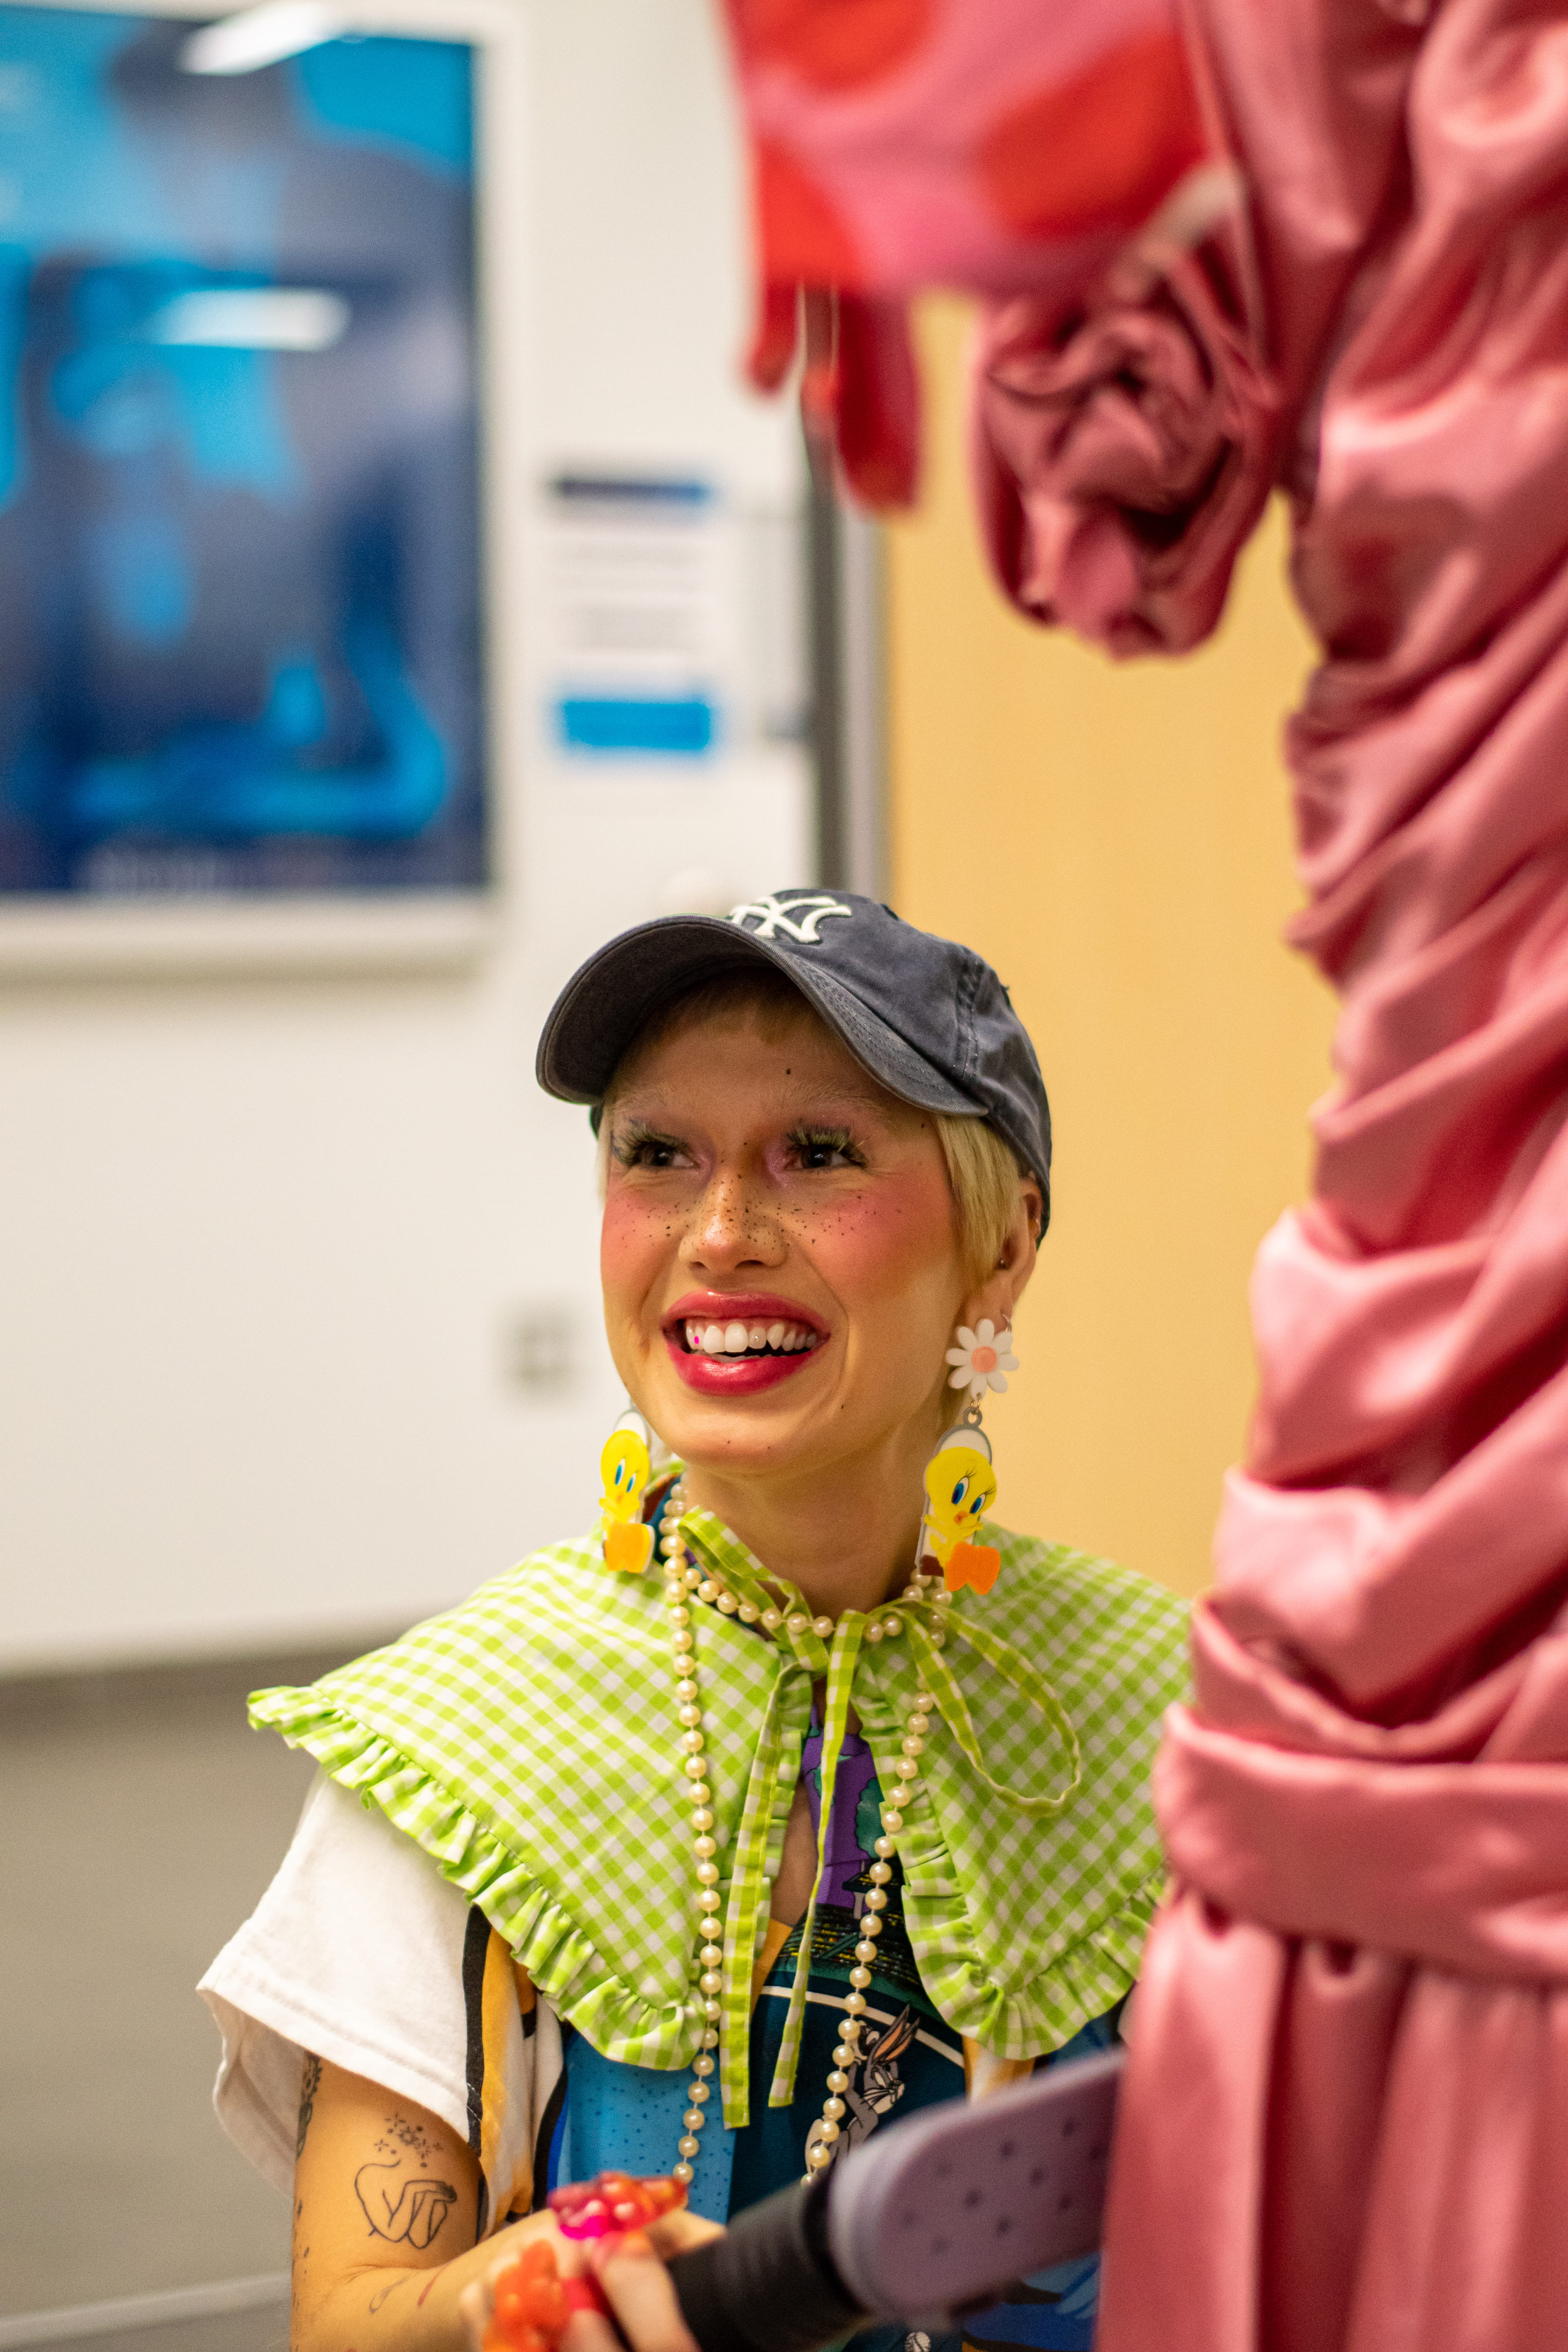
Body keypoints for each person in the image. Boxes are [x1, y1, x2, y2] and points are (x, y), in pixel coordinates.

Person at [200, 889, 1189, 2352]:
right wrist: (509, 2289)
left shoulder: (1161, 1707)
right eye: (656, 1155)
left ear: (1003, 1245)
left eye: (820, 1154)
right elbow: (348, 2325)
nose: (720, 1235)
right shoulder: (463, 1743)